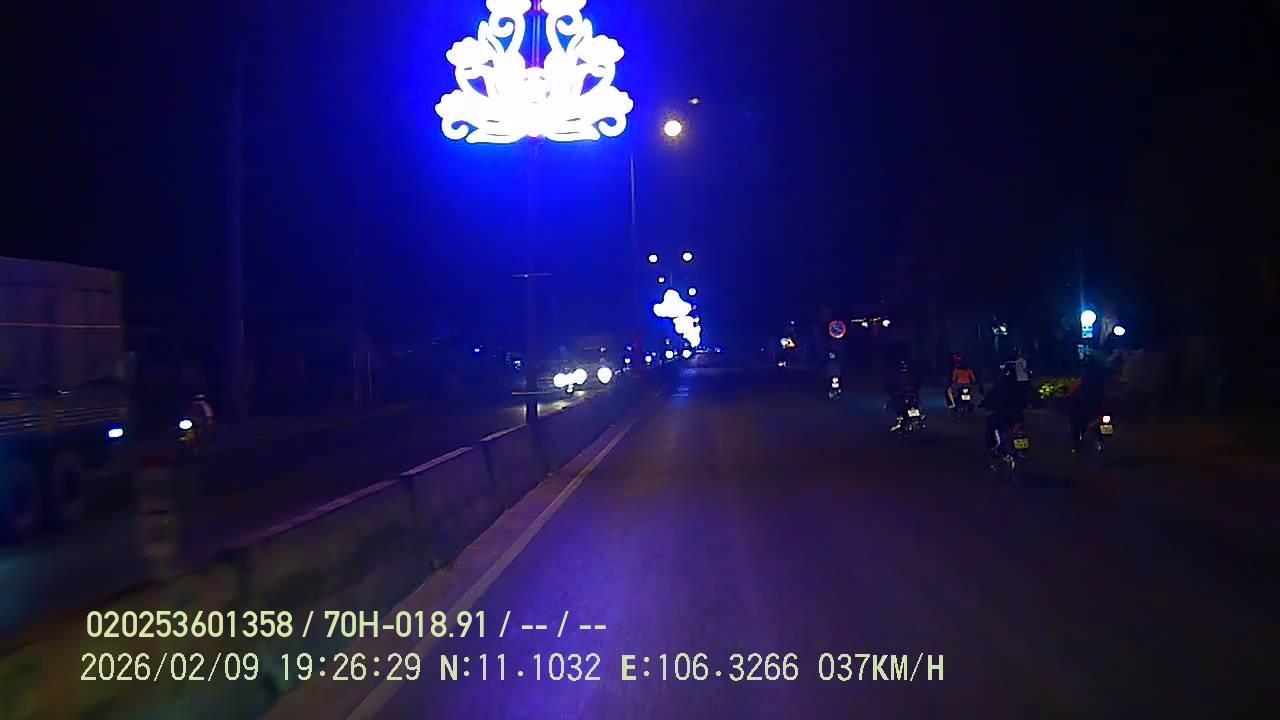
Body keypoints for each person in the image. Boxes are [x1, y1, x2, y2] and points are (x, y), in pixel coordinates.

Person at [981, 366, 1026, 453]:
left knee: (991, 423)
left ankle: (993, 446)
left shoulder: (1000, 385)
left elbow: (990, 397)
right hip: (1017, 415)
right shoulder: (1021, 385)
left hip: (1003, 415)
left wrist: (985, 404)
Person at [1068, 353, 1106, 451]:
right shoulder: (1100, 377)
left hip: (1085, 406)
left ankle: (1077, 445)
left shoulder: (1084, 378)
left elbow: (1073, 391)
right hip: (1097, 406)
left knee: (1075, 421)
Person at [883, 360, 920, 431]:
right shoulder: (908, 374)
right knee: (896, 404)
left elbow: (917, 383)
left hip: (906, 394)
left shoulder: (897, 375)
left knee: (896, 404)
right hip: (907, 394)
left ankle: (899, 420)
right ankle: (900, 420)